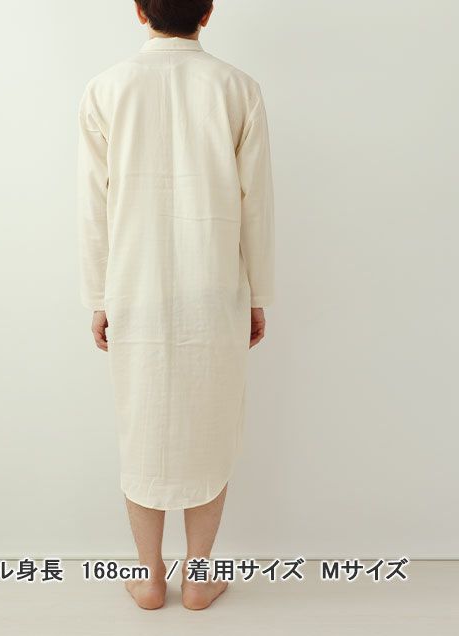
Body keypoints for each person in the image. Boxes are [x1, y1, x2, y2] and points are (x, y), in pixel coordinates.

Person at [77, 0, 275, 610]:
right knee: (208, 425)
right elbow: (256, 202)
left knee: (142, 424)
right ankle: (198, 574)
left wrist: (98, 296)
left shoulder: (106, 88)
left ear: (140, 11)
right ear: (208, 13)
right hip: (213, 284)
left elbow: (93, 205)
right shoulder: (237, 88)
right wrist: (258, 294)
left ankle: (148, 575)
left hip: (134, 284)